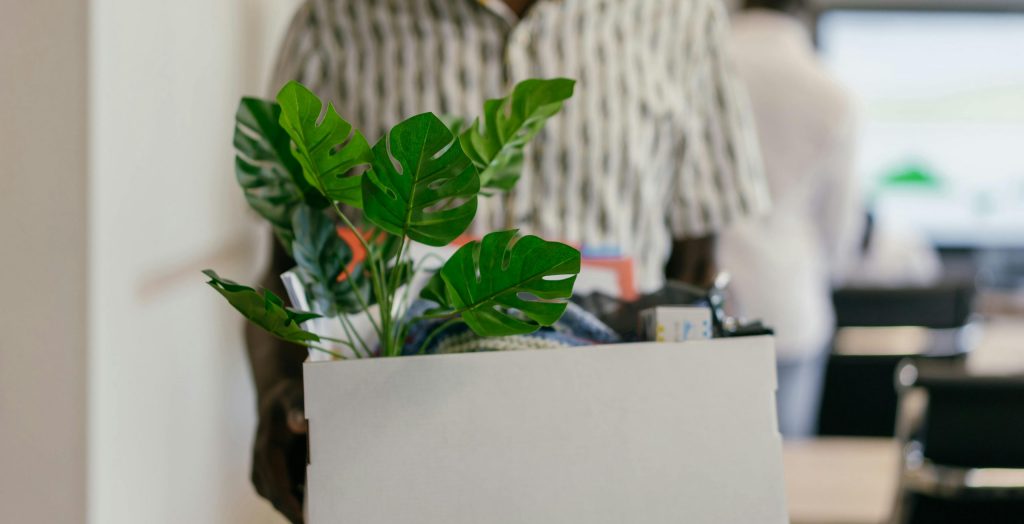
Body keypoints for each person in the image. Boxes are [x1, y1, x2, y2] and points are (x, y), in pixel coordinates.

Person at [247, 0, 771, 520]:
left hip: (610, 465)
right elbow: (291, 258)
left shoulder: (682, 16)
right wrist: (281, 393)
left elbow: (697, 268)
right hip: (404, 463)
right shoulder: (338, 17)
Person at [717, 0, 863, 438]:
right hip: (790, 305)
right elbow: (840, 232)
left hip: (703, 303)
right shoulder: (832, 91)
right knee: (791, 478)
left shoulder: (701, 68)